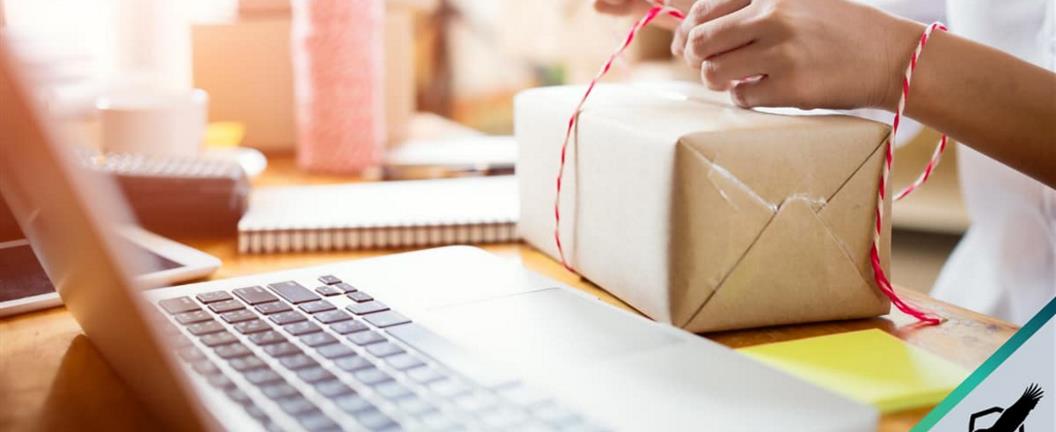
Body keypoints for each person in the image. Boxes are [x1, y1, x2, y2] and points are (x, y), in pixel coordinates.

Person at [595, 0, 1056, 325]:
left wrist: (894, 60)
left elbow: (882, 47)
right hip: (998, 314)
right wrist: (742, 18)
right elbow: (884, 23)